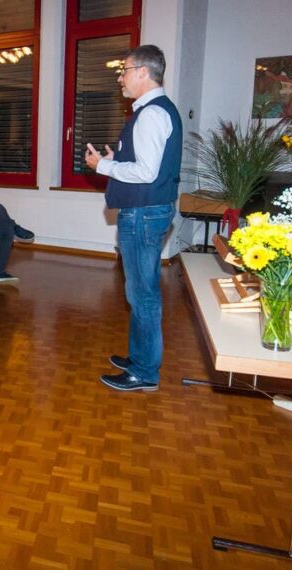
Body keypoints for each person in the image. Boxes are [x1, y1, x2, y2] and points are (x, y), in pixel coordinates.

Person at [84, 44, 183, 393]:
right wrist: (118, 159)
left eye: (124, 70)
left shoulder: (152, 113)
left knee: (143, 294)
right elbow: (144, 164)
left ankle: (144, 372)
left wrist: (103, 165)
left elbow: (146, 172)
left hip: (143, 213)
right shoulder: (155, 110)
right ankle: (140, 358)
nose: (120, 78)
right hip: (148, 210)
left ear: (143, 72)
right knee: (139, 290)